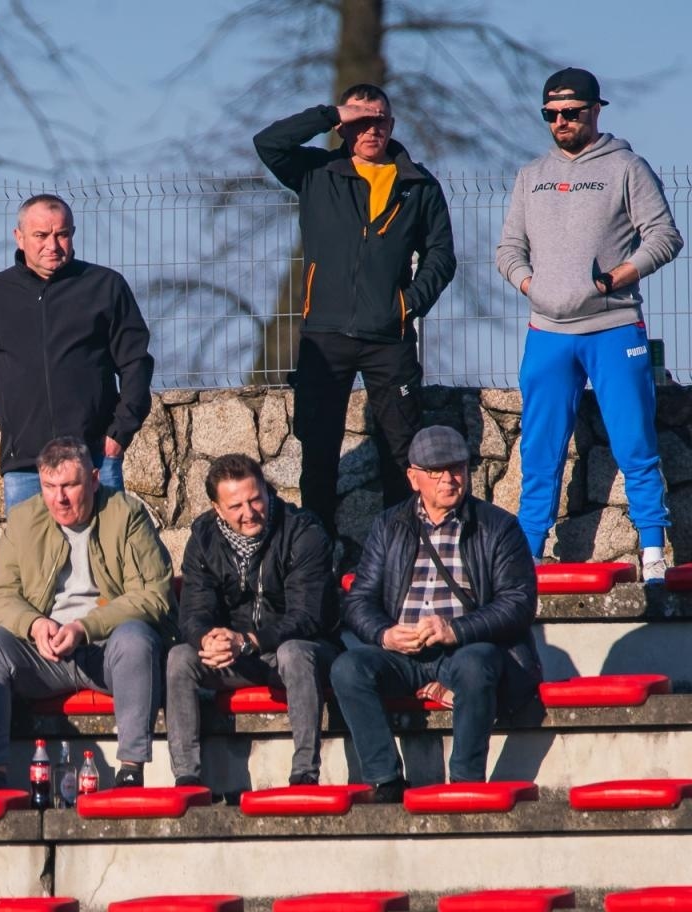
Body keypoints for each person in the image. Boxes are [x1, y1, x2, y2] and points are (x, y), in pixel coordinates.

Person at [495, 68, 684, 580]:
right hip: (547, 334)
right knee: (539, 452)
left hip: (613, 327)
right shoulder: (530, 175)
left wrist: (615, 279)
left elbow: (665, 237)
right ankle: (528, 557)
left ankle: (652, 554)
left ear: (596, 110)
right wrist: (534, 286)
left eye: (571, 112)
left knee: (635, 444)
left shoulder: (627, 167)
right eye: (551, 114)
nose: (561, 121)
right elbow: (508, 249)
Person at [254, 85, 457, 542]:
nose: (372, 129)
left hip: (390, 338)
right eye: (361, 121)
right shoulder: (317, 171)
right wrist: (329, 113)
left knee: (401, 452)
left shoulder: (418, 183)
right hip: (324, 337)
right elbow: (268, 143)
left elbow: (442, 256)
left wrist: (406, 306)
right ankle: (318, 552)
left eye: (380, 119)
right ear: (345, 127)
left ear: (393, 124)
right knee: (319, 451)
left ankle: (401, 551)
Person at [330, 426, 540, 800]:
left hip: (464, 649)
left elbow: (518, 603)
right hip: (403, 652)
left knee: (477, 664)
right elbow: (360, 600)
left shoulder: (499, 526)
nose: (449, 478)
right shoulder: (388, 525)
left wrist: (455, 630)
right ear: (413, 477)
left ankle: (465, 781)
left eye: (457, 468)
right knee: (348, 669)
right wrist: (384, 635)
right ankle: (386, 780)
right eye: (436, 471)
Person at [0, 436, 174, 788]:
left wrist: (84, 627)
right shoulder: (23, 520)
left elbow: (155, 595)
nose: (59, 498)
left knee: (136, 639)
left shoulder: (127, 514)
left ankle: (130, 770)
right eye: (49, 486)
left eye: (70, 486)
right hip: (45, 654)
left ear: (93, 479)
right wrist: (34, 624)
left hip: (107, 651)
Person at [0, 194, 154, 511]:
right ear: (19, 237)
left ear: (73, 233)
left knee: (105, 557)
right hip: (24, 468)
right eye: (41, 235)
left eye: (62, 234)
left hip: (95, 459)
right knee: (32, 561)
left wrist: (119, 433)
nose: (52, 245)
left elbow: (136, 363)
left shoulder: (105, 287)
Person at [166, 454, 340, 790]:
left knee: (294, 652)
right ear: (218, 509)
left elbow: (307, 617)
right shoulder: (203, 538)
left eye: (255, 498)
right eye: (236, 506)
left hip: (302, 652)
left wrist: (247, 640)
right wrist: (207, 640)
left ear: (266, 490)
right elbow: (192, 612)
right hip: (236, 656)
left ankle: (305, 773)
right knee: (180, 658)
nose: (249, 513)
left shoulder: (303, 530)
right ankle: (187, 778)